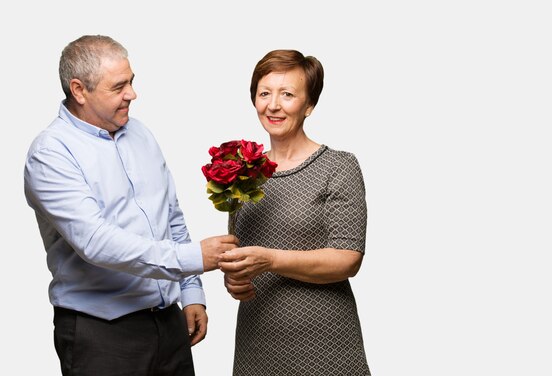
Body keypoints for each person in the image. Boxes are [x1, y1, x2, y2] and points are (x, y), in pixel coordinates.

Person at [23, 35, 238, 376]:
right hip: (102, 336)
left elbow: (171, 217)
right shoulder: (51, 154)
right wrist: (194, 258)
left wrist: (191, 289)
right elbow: (96, 242)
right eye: (119, 86)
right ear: (79, 90)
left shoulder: (141, 134)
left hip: (168, 324)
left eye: (131, 81)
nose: (132, 94)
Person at [218, 49, 371, 375]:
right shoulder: (241, 172)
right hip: (256, 348)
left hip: (326, 349)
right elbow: (240, 251)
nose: (273, 105)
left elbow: (348, 259)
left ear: (309, 105)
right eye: (264, 93)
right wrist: (235, 278)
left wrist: (269, 260)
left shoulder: (339, 166)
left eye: (287, 94)